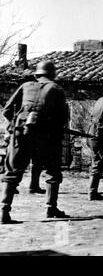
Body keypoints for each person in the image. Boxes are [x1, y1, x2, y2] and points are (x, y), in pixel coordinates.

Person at [1, 61, 69, 224]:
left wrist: (17, 122)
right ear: (52, 74)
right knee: (52, 171)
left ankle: (4, 211)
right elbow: (62, 119)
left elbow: (7, 110)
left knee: (12, 172)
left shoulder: (25, 86)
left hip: (21, 133)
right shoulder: (56, 89)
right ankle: (50, 208)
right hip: (45, 137)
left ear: (37, 74)